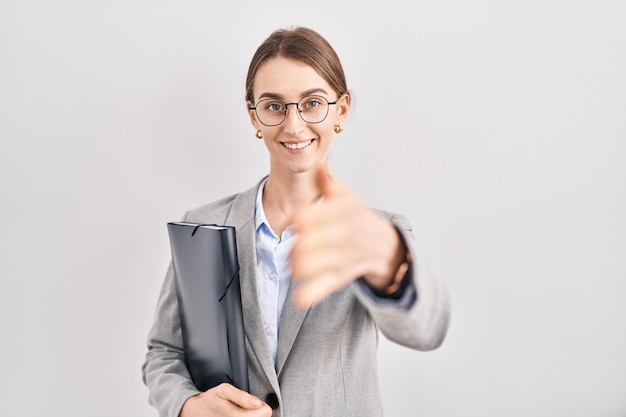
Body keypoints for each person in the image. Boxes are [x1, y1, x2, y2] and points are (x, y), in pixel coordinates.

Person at [142, 26, 451, 417]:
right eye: (274, 106)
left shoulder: (376, 233)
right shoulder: (203, 225)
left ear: (340, 110)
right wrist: (188, 405)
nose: (293, 125)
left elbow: (427, 329)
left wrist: (391, 267)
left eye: (312, 103)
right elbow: (164, 352)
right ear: (253, 115)